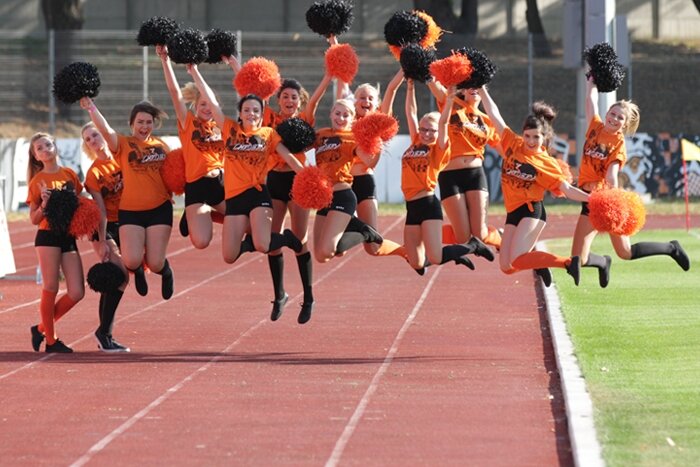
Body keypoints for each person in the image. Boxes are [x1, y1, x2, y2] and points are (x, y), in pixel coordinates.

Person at [570, 77, 690, 286]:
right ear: (607, 113)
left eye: (620, 118)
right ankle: (603, 262)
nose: (615, 119)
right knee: (581, 259)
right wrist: (591, 82)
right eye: (613, 114)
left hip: (602, 200)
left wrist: (613, 202)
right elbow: (590, 101)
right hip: (588, 198)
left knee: (624, 252)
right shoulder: (595, 127)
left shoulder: (618, 144)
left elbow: (612, 175)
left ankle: (672, 248)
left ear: (625, 124)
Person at [187, 64, 306, 271]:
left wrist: (309, 177)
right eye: (247, 110)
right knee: (229, 256)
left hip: (258, 195)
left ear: (261, 114)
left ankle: (285, 238)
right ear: (240, 114)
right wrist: (194, 71)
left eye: (256, 110)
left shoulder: (268, 134)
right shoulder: (229, 129)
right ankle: (266, 239)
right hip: (234, 199)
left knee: (263, 245)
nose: (251, 113)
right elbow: (211, 101)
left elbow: (289, 157)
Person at [478, 88, 590, 285]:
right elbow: (494, 115)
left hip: (531, 211)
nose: (531, 141)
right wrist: (481, 89)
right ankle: (538, 262)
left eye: (536, 137)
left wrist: (592, 199)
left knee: (517, 259)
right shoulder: (513, 143)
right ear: (522, 134)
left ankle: (567, 263)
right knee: (506, 267)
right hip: (513, 211)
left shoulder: (546, 162)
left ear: (544, 137)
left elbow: (567, 190)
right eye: (527, 135)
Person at [80, 96, 175, 300]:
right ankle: (138, 270)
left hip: (160, 209)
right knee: (131, 261)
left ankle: (166, 272)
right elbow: (105, 130)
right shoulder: (123, 144)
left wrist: (172, 191)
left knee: (155, 263)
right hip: (131, 212)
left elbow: (171, 174)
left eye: (148, 122)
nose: (144, 126)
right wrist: (91, 107)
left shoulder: (162, 146)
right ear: (132, 124)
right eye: (140, 122)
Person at [401, 81, 494, 273]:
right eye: (423, 129)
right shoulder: (416, 140)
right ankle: (455, 254)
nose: (427, 134)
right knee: (416, 263)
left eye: (431, 131)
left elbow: (443, 122)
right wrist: (410, 85)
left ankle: (472, 246)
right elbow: (410, 112)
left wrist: (450, 100)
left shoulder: (440, 149)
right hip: (411, 205)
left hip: (428, 204)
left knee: (436, 256)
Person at [262, 74, 332, 323]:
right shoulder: (269, 118)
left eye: (293, 96)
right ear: (278, 100)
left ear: (299, 101)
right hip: (274, 180)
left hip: (298, 180)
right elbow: (255, 94)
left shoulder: (304, 119)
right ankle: (279, 294)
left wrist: (328, 76)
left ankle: (309, 297)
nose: (289, 100)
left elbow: (315, 101)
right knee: (272, 242)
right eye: (285, 96)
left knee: (300, 240)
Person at [156, 44, 226, 249]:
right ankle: (194, 214)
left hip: (220, 184)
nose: (207, 108)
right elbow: (174, 92)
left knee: (248, 225)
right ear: (195, 106)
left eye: (210, 104)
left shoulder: (222, 125)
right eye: (202, 104)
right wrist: (165, 60)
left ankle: (210, 214)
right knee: (201, 242)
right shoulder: (188, 122)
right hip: (196, 185)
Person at [337, 69, 407, 257]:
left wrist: (404, 68)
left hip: (364, 182)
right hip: (342, 184)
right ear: (354, 101)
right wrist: (335, 53)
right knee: (338, 250)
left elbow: (391, 89)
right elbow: (341, 84)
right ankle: (360, 228)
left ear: (376, 104)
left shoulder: (379, 121)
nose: (366, 101)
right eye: (361, 97)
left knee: (373, 248)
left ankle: (403, 251)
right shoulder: (346, 118)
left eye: (370, 98)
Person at [27, 133, 85, 353]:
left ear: (55, 146)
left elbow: (80, 202)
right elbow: (34, 219)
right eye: (39, 148)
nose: (45, 149)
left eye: (48, 144)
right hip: (47, 236)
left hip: (68, 236)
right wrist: (44, 203)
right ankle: (51, 341)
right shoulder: (37, 181)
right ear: (36, 156)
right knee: (51, 286)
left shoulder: (69, 174)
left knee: (77, 292)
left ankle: (40, 328)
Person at [428, 80, 502, 249]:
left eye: (477, 85)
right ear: (463, 91)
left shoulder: (487, 120)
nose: (473, 88)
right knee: (463, 238)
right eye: (469, 86)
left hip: (475, 174)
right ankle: (426, 235)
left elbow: (504, 149)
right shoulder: (452, 103)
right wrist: (426, 71)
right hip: (449, 176)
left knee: (480, 235)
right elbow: (434, 86)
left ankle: (498, 237)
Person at [312, 98, 384, 263]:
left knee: (328, 250)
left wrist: (377, 143)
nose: (341, 118)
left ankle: (363, 232)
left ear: (352, 119)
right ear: (331, 114)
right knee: (321, 256)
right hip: (324, 198)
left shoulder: (353, 138)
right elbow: (299, 148)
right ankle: (353, 226)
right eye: (337, 113)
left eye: (346, 115)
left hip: (342, 195)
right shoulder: (320, 134)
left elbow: (370, 162)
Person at [81, 122, 130, 352]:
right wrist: (101, 241)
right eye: (88, 139)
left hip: (127, 222)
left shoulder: (122, 158)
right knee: (120, 276)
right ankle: (104, 333)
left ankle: (104, 334)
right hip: (104, 226)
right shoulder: (93, 174)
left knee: (114, 279)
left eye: (95, 134)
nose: (93, 140)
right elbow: (100, 210)